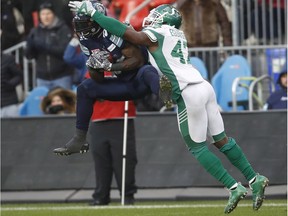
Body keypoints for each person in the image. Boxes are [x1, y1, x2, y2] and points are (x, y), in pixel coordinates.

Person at [68, 2, 269, 214]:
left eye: (155, 15)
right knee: (221, 140)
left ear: (163, 19)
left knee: (197, 147)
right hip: (204, 86)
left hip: (187, 91)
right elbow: (130, 37)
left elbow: (133, 38)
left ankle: (233, 187)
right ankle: (254, 178)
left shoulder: (158, 31)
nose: (151, 18)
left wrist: (94, 14)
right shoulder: (176, 34)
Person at [53, 2, 161, 157]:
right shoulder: (85, 41)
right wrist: (94, 67)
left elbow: (137, 60)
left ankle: (167, 94)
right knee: (84, 88)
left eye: (85, 25)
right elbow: (99, 80)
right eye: (79, 25)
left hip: (140, 80)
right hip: (122, 86)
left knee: (147, 71)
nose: (82, 30)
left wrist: (111, 67)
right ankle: (79, 139)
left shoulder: (113, 32)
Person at [63, 26, 138, 205]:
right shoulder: (88, 58)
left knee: (125, 160)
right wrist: (76, 38)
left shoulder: (121, 56)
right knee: (101, 160)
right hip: (98, 118)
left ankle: (126, 195)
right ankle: (101, 196)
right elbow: (68, 57)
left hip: (121, 116)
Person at [176, 0, 232, 79]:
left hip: (211, 48)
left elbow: (224, 23)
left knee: (213, 76)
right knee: (192, 78)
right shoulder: (183, 4)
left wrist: (227, 43)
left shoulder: (214, 3)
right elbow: (174, 21)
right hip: (190, 48)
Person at [24, 1, 73, 90]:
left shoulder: (63, 29)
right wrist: (30, 46)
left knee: (64, 102)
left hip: (62, 76)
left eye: (48, 13)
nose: (46, 17)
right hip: (42, 78)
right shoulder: (35, 31)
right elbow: (29, 56)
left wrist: (45, 46)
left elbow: (65, 52)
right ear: (39, 15)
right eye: (42, 14)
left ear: (53, 14)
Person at [1, 52, 23, 117]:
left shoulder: (8, 59)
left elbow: (19, 76)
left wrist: (10, 84)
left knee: (14, 126)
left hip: (9, 102)